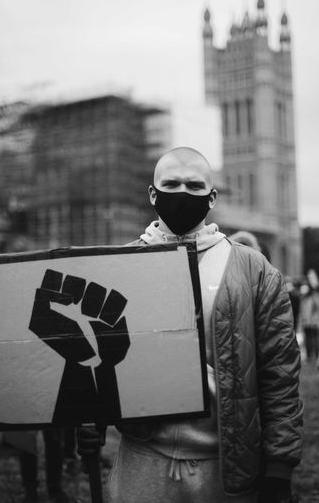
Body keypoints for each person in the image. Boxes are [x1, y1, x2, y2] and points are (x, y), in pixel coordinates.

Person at [78, 147, 303, 502]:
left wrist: (280, 464)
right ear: (153, 194)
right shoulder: (119, 266)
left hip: (226, 466)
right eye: (171, 183)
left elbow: (280, 373)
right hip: (142, 459)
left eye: (194, 185)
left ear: (212, 197)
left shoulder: (253, 269)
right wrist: (92, 419)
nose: (182, 192)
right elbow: (98, 355)